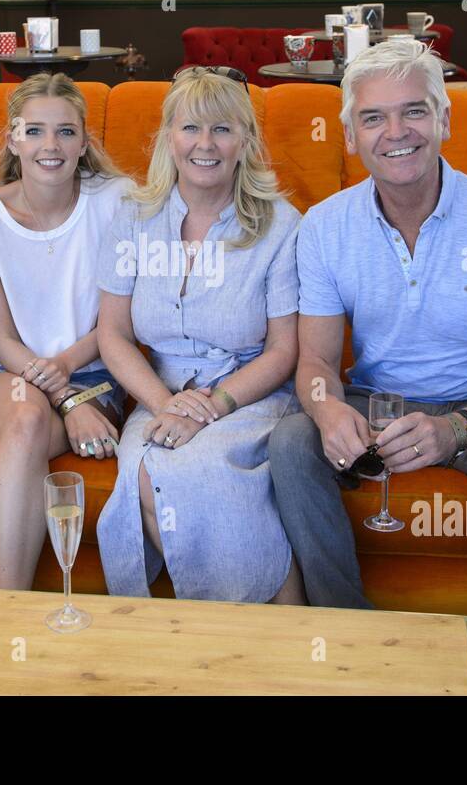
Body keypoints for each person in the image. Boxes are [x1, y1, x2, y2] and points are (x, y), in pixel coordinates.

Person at [267, 37, 467, 695]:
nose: (396, 132)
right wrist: (325, 408)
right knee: (291, 442)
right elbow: (317, 359)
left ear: (444, 120)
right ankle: (351, 632)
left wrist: (456, 429)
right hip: (378, 401)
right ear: (351, 135)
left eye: (414, 112)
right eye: (374, 118)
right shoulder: (324, 226)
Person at [96, 66, 305, 604]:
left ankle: (270, 625)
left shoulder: (280, 224)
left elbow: (285, 350)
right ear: (168, 138)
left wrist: (210, 406)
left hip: (248, 391)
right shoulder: (134, 218)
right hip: (159, 391)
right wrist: (166, 404)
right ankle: (225, 629)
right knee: (145, 470)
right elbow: (113, 335)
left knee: (206, 468)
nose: (205, 145)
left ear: (245, 141)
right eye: (191, 128)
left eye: (223, 130)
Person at [0, 73, 132, 590]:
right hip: (7, 372)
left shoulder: (117, 200)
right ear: (12, 139)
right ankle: (15, 609)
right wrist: (67, 402)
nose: (49, 146)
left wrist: (75, 387)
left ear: (84, 142)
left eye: (65, 132)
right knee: (26, 417)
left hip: (98, 371)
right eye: (33, 131)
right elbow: (3, 339)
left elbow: (117, 325)